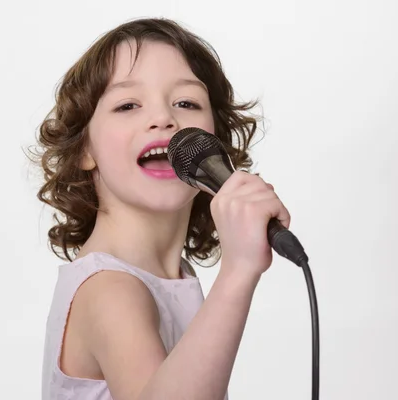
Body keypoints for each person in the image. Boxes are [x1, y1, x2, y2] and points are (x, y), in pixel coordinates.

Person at [32, 17, 291, 400]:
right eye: (127, 105)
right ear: (85, 148)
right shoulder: (110, 289)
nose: (164, 118)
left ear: (214, 143)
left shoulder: (164, 278)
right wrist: (237, 271)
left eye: (186, 103)